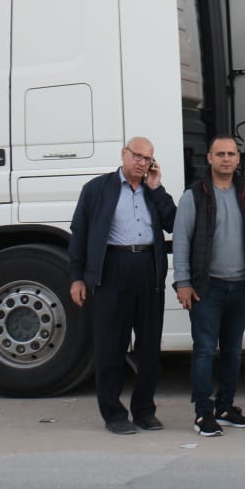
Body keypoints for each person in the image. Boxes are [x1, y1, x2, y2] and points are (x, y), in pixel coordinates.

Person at [68, 137, 177, 435]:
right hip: (112, 269)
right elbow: (79, 233)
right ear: (124, 154)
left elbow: (173, 223)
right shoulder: (97, 189)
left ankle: (144, 411)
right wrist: (77, 277)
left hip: (148, 269)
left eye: (147, 158)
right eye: (137, 156)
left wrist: (157, 188)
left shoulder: (152, 190)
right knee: (110, 346)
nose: (142, 162)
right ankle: (113, 413)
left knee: (149, 348)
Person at [172, 136, 245, 437]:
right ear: (209, 158)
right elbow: (181, 240)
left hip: (240, 287)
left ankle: (225, 408)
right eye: (220, 154)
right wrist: (183, 283)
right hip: (206, 288)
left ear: (238, 159)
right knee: (204, 350)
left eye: (231, 154)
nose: (226, 159)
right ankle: (203, 413)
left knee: (233, 351)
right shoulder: (194, 196)